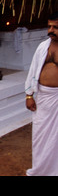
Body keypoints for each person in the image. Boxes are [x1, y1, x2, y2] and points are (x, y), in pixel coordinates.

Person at [25, 11, 58, 176]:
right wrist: (29, 95)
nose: (51, 30)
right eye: (49, 26)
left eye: (55, 27)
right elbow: (32, 71)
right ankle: (40, 170)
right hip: (43, 99)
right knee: (40, 137)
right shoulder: (42, 47)